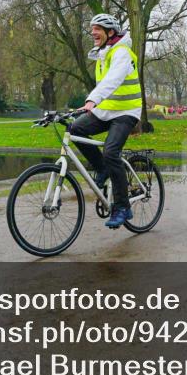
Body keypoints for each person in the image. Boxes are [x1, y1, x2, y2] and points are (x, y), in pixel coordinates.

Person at [69, 14, 142, 229]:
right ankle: (102, 169)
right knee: (75, 129)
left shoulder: (121, 52)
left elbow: (113, 80)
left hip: (126, 112)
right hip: (105, 111)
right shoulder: (102, 54)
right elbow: (105, 85)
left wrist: (92, 100)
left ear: (110, 32)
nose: (93, 32)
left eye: (97, 28)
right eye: (91, 28)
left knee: (111, 152)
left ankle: (122, 207)